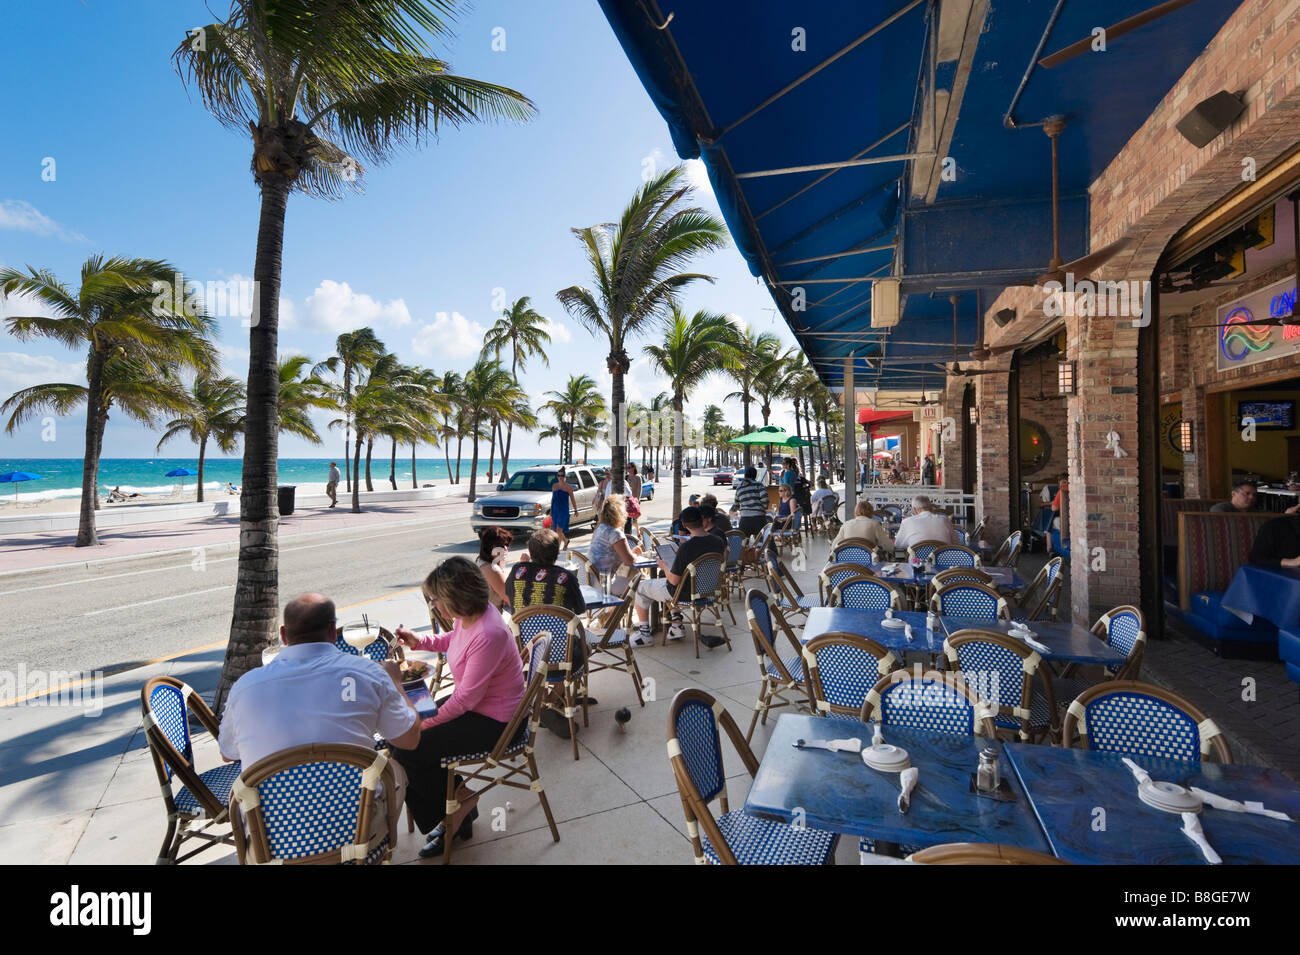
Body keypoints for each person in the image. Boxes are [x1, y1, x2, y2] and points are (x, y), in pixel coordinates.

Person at [219, 593, 421, 845]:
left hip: (273, 843)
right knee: (395, 769)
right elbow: (410, 739)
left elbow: (228, 753)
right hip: (356, 833)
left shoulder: (245, 687)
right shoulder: (368, 673)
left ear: (283, 635)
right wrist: (396, 682)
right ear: (333, 633)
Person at [393, 558, 526, 858]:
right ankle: (460, 798)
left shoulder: (489, 633)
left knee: (409, 744)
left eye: (436, 600)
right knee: (401, 735)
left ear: (455, 599)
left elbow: (465, 700)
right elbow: (455, 639)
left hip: (497, 722)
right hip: (478, 708)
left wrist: (420, 725)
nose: (434, 606)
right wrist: (420, 641)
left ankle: (453, 812)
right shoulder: (472, 616)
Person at [632, 506, 726, 648]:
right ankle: (676, 625)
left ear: (684, 525)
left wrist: (664, 566)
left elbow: (674, 580)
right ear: (702, 520)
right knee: (664, 584)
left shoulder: (687, 548)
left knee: (640, 587)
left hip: (685, 593)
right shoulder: (718, 541)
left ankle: (644, 634)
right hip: (709, 592)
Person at [506, 528, 585, 616]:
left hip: (521, 629)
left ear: (530, 551)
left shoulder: (518, 570)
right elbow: (580, 609)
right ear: (557, 552)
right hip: (557, 629)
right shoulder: (567, 577)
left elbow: (508, 593)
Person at [590, 495, 644, 575]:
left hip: (593, 578)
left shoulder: (600, 528)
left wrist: (632, 554)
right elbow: (630, 561)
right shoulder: (615, 533)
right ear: (619, 514)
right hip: (606, 581)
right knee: (637, 575)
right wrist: (636, 554)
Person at [894, 495, 959, 551]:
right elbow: (956, 541)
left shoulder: (907, 522)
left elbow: (898, 545)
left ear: (915, 509)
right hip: (944, 561)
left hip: (916, 563)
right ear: (931, 507)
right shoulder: (944, 519)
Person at [476, 526, 514, 609]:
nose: (505, 549)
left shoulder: (480, 560)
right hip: (489, 618)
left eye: (506, 544)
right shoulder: (493, 569)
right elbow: (511, 600)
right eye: (500, 546)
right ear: (489, 547)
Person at [734, 466, 770, 539]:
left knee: (743, 543)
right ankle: (770, 550)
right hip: (759, 518)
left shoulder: (739, 487)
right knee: (765, 541)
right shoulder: (758, 485)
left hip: (744, 520)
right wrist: (763, 508)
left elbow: (736, 504)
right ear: (755, 475)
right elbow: (765, 499)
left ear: (745, 475)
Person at [550, 468, 577, 549]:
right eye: (559, 475)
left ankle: (557, 548)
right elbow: (553, 499)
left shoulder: (568, 487)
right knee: (558, 530)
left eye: (562, 475)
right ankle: (565, 541)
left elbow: (572, 499)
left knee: (559, 529)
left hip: (563, 511)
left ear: (565, 476)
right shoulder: (554, 486)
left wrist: (576, 510)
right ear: (557, 476)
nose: (560, 477)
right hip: (555, 510)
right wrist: (551, 510)